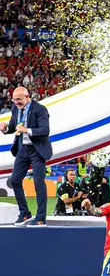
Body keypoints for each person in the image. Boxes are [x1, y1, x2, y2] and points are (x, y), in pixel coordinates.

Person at [0, 86, 52, 226]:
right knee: (15, 180)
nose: (16, 102)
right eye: (14, 99)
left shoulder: (40, 109)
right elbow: (13, 126)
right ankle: (25, 213)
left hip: (37, 150)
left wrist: (26, 130)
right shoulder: (16, 108)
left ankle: (41, 218)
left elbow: (45, 130)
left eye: (19, 99)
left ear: (27, 96)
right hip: (22, 150)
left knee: (38, 183)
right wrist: (5, 128)